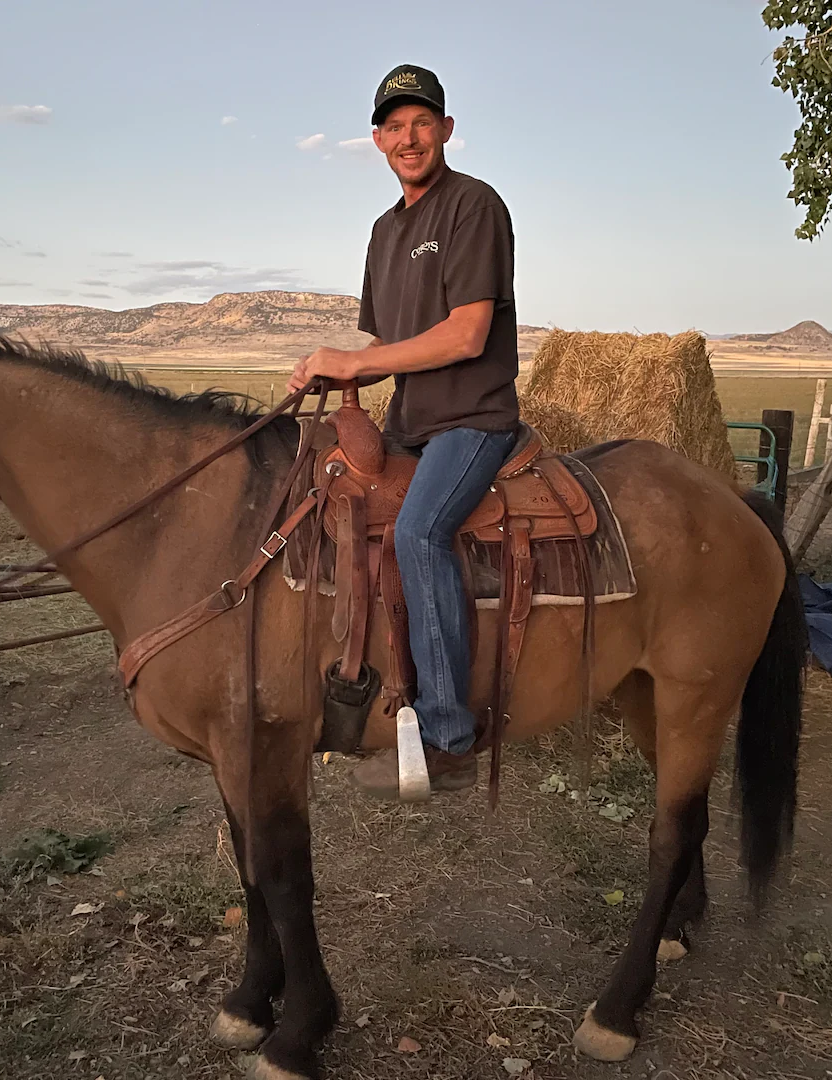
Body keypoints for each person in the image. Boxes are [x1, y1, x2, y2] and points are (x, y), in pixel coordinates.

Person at [288, 63, 519, 800]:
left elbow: (465, 334)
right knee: (326, 502)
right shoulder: (385, 232)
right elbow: (386, 349)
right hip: (410, 423)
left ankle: (449, 735)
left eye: (424, 122)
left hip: (472, 420)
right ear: (378, 140)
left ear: (446, 130)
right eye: (395, 126)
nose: (409, 137)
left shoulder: (473, 206)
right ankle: (360, 683)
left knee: (420, 535)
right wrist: (338, 379)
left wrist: (356, 359)